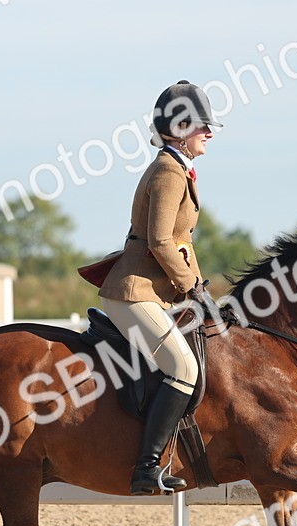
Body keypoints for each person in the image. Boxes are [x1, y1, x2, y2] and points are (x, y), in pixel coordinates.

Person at [98, 80, 221, 495]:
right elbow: (160, 241)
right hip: (134, 292)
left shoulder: (177, 168)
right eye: (203, 126)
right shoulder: (168, 172)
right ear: (181, 127)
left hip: (152, 291)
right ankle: (146, 467)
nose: (210, 133)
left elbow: (182, 243)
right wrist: (190, 286)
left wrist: (201, 289)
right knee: (183, 368)